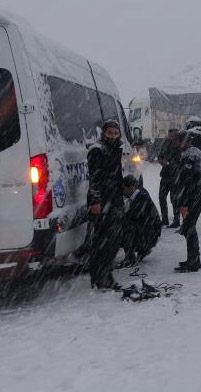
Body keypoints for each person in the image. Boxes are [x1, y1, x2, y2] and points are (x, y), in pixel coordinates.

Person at [86, 120, 125, 290]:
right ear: (104, 133)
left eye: (116, 134)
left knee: (112, 240)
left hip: (114, 199)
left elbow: (116, 177)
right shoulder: (97, 150)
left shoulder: (115, 149)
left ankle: (102, 275)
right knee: (104, 242)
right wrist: (95, 201)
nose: (113, 136)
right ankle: (102, 277)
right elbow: (94, 179)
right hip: (102, 202)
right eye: (110, 133)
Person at [174, 131, 201, 273]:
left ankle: (193, 262)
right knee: (189, 228)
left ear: (184, 141)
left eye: (177, 141)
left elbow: (189, 182)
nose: (175, 144)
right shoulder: (198, 153)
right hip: (200, 196)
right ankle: (193, 260)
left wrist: (184, 204)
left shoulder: (189, 156)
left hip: (193, 198)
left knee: (189, 228)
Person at [117, 175, 163, 268]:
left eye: (124, 189)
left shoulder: (141, 198)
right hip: (149, 230)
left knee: (124, 228)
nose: (122, 192)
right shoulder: (139, 193)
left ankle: (131, 257)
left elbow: (132, 217)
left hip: (150, 233)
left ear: (131, 188)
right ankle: (143, 249)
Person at [158, 128, 182, 228]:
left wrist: (171, 164)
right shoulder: (166, 144)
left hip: (176, 176)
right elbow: (160, 156)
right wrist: (162, 161)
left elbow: (181, 160)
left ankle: (176, 220)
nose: (172, 137)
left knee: (174, 199)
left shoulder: (181, 146)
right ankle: (165, 219)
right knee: (162, 197)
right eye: (170, 135)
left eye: (174, 135)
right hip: (165, 175)